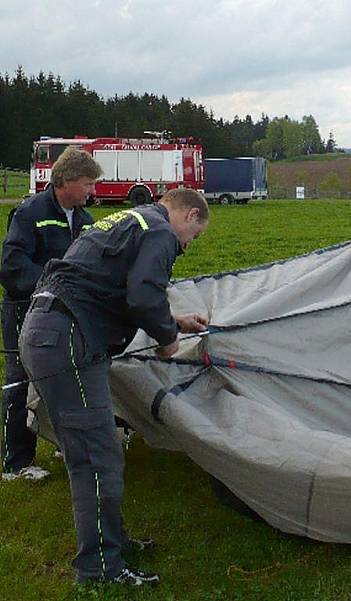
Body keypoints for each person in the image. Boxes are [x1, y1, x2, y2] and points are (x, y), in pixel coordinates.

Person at [19, 188, 210, 586]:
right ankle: (100, 569)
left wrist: (174, 321)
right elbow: (143, 295)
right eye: (195, 237)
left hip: (48, 330)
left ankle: (112, 543)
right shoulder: (160, 231)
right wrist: (168, 340)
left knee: (91, 454)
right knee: (97, 459)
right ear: (190, 215)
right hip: (70, 339)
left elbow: (112, 289)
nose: (189, 246)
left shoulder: (131, 219)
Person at [0, 147, 99, 481]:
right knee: (20, 380)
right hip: (24, 310)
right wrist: (50, 286)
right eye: (87, 183)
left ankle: (63, 442)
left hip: (67, 315)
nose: (92, 190)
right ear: (65, 181)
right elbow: (11, 265)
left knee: (67, 377)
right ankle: (16, 462)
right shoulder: (30, 213)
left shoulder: (85, 221)